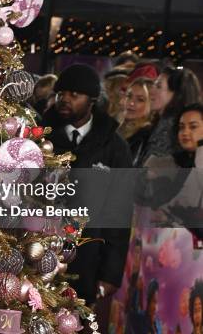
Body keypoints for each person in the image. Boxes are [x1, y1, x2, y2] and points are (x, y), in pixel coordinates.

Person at [42, 63, 132, 333]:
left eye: (74, 94)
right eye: (61, 93)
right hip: (38, 254)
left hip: (88, 261)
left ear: (92, 100)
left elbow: (119, 212)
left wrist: (110, 273)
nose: (65, 100)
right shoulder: (40, 135)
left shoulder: (115, 147)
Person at [143, 66, 201, 163]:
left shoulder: (169, 129)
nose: (151, 91)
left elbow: (149, 171)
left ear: (176, 94)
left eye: (158, 86)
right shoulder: (161, 123)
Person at [118, 77, 155, 167]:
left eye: (140, 100)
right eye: (129, 96)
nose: (131, 103)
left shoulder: (146, 136)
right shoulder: (118, 130)